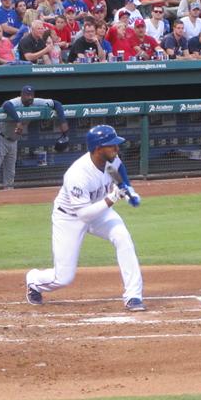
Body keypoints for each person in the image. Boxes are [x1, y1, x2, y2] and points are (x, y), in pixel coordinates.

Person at [25, 125, 144, 311]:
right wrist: (113, 198)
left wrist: (129, 192)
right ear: (97, 149)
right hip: (70, 218)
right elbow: (84, 214)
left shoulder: (111, 160)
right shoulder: (78, 175)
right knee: (63, 278)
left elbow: (118, 173)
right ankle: (34, 280)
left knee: (123, 238)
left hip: (100, 211)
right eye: (111, 145)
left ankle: (133, 296)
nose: (116, 148)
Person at [0, 86, 70, 191]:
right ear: (21, 95)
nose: (29, 97)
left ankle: (8, 195)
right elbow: (6, 105)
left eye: (31, 95)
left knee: (10, 174)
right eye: (27, 95)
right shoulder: (16, 102)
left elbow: (57, 104)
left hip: (13, 141)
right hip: (0, 137)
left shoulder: (36, 102)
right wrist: (18, 121)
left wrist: (63, 121)